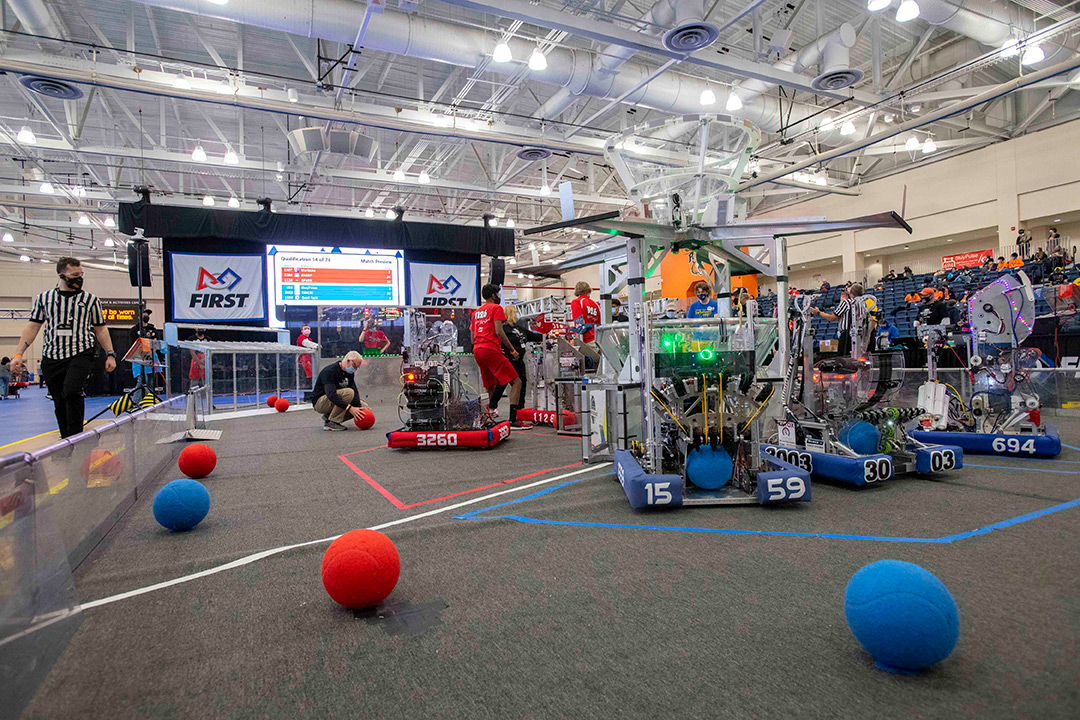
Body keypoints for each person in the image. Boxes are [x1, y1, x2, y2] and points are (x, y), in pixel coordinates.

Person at [10, 257, 116, 438]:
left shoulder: (90, 300)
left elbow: (101, 328)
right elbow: (33, 326)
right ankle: (65, 436)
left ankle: (75, 435)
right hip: (52, 355)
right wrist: (19, 353)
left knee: (72, 390)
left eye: (81, 274)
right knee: (58, 398)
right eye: (75, 275)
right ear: (62, 275)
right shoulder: (44, 299)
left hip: (81, 352)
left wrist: (110, 354)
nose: (79, 278)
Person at [470, 284, 521, 424]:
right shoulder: (496, 308)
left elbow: (472, 336)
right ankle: (513, 419)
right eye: (498, 294)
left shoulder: (476, 313)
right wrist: (512, 350)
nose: (499, 297)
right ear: (493, 295)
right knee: (516, 382)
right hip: (490, 348)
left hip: (478, 350)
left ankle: (491, 416)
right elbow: (499, 331)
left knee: (490, 385)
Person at [502, 305, 544, 428]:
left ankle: (517, 415)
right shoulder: (503, 330)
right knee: (510, 385)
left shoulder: (519, 328)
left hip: (519, 361)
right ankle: (502, 412)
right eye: (515, 312)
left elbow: (531, 336)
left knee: (521, 385)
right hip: (508, 361)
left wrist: (547, 335)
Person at [311, 350, 368, 431]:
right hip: (320, 402)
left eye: (357, 367)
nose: (355, 369)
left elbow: (354, 390)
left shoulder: (349, 373)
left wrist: (358, 407)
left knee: (363, 408)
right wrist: (350, 408)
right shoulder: (329, 371)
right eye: (355, 366)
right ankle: (332, 422)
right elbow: (331, 395)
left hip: (335, 399)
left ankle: (329, 416)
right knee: (349, 393)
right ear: (348, 361)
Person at [810, 284, 861, 356]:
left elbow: (832, 318)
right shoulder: (861, 304)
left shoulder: (847, 303)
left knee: (843, 357)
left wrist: (818, 312)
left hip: (847, 335)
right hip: (858, 335)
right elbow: (840, 316)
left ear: (851, 292)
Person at [569, 281, 602, 369]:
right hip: (596, 339)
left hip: (584, 340)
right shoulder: (596, 305)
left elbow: (579, 321)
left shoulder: (576, 302)